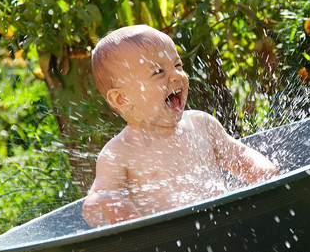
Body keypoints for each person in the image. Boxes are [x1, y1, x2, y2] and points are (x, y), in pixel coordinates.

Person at [82, 25, 279, 227]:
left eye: (178, 65)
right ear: (122, 99)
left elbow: (239, 156)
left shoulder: (201, 124)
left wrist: (266, 175)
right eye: (158, 71)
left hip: (226, 224)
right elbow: (96, 200)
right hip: (172, 243)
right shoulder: (120, 151)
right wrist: (110, 205)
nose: (177, 76)